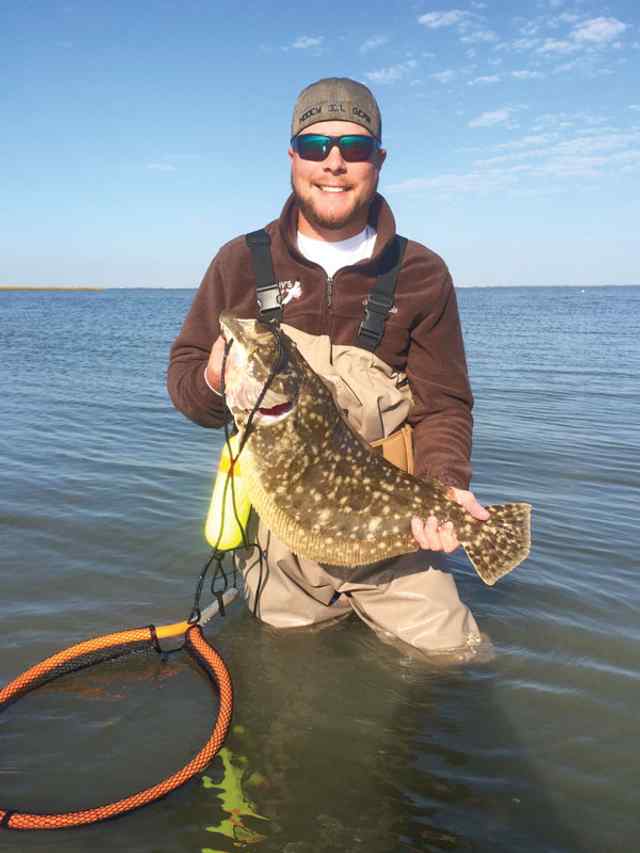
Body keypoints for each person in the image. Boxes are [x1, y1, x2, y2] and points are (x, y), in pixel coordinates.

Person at [167, 78, 490, 658]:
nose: (333, 163)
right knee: (288, 668)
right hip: (282, 529)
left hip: (393, 533)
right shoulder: (239, 262)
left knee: (453, 657)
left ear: (378, 161)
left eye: (354, 148)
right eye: (315, 146)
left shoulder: (422, 273)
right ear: (293, 157)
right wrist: (216, 378)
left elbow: (443, 405)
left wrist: (445, 485)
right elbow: (188, 386)